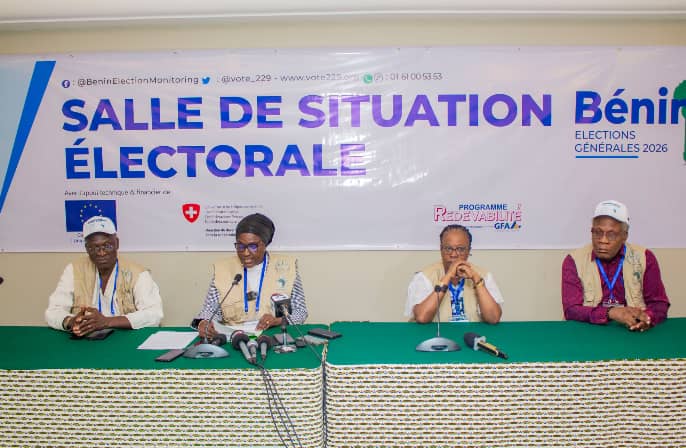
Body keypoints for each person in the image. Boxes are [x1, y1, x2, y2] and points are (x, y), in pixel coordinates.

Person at [194, 213, 307, 339]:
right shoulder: (223, 269)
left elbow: (300, 312)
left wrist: (279, 320)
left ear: (265, 244)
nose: (245, 253)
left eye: (253, 246)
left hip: (273, 336)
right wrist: (204, 322)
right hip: (234, 337)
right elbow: (211, 309)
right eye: (240, 246)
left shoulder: (286, 268)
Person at [45, 216, 164, 336]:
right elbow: (53, 311)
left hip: (126, 339)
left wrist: (107, 322)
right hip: (86, 340)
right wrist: (71, 321)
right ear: (87, 248)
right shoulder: (73, 270)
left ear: (117, 243)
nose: (102, 253)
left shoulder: (137, 273)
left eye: (107, 246)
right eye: (95, 248)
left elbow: (154, 314)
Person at [562, 200, 670, 331]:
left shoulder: (645, 258)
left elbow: (659, 304)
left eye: (611, 235)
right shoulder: (574, 260)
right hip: (589, 333)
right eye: (597, 232)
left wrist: (646, 318)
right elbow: (571, 310)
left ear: (625, 236)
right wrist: (611, 312)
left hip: (633, 333)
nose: (603, 240)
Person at [406, 224, 503, 324]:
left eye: (460, 249)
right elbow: (422, 317)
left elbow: (493, 318)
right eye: (448, 249)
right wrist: (448, 276)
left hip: (471, 333)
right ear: (441, 249)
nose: (454, 254)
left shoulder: (483, 275)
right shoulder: (424, 276)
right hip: (437, 333)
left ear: (468, 250)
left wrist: (476, 280)